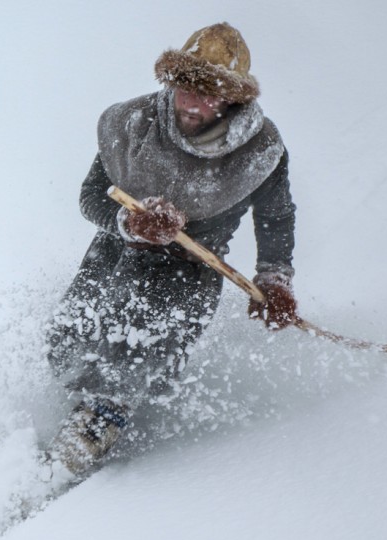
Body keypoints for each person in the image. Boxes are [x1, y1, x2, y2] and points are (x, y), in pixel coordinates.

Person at [44, 22, 298, 478]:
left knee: (136, 355)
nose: (194, 105)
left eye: (209, 96)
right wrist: (129, 222)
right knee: (69, 338)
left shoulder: (260, 151)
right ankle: (70, 413)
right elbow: (91, 195)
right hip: (114, 251)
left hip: (190, 268)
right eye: (186, 90)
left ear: (232, 100)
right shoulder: (132, 123)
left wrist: (274, 278)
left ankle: (96, 433)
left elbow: (275, 217)